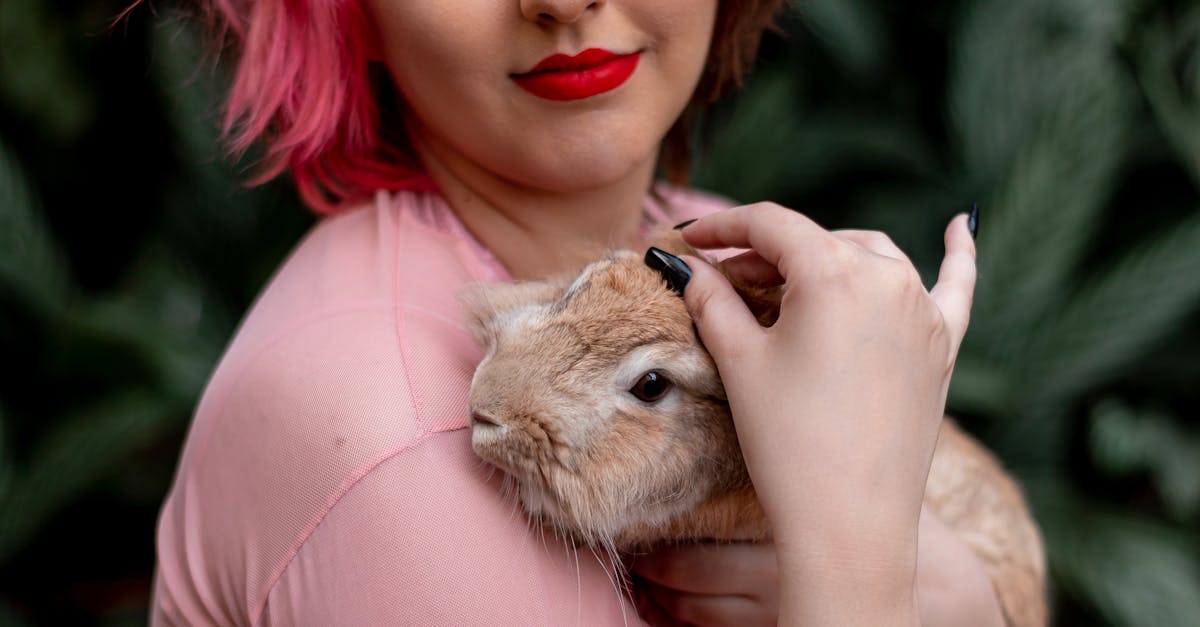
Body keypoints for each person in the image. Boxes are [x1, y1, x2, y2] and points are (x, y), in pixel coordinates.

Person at [150, 0, 1001, 625]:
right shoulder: (400, 457)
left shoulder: (684, 244)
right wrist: (860, 568)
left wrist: (959, 590)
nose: (563, 1)